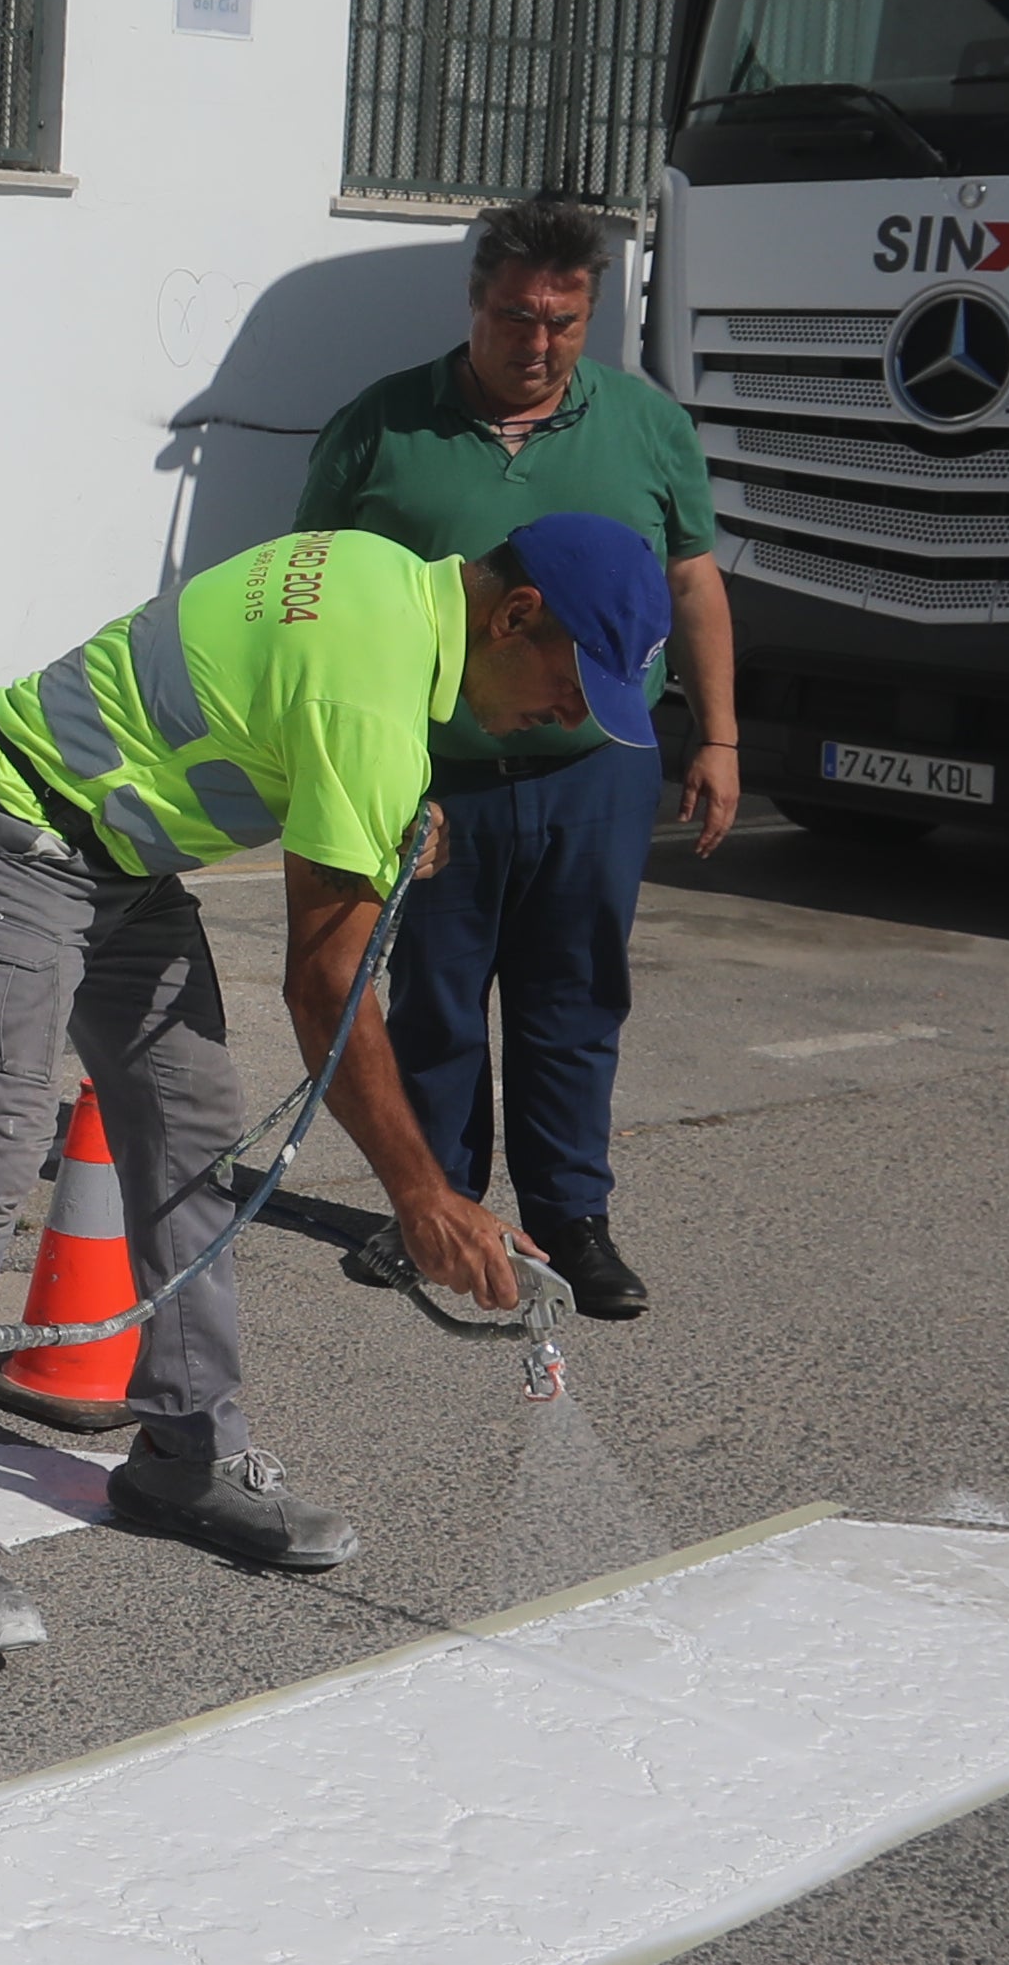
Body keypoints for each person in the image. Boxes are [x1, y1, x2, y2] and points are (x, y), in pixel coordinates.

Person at [0, 522, 648, 1663]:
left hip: (120, 859)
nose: (570, 715)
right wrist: (424, 1198)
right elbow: (325, 989)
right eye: (574, 683)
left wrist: (384, 818)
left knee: (188, 1139)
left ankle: (188, 1455)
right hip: (13, 820)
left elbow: (285, 727)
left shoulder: (389, 587)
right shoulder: (375, 694)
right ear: (517, 614)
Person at [293, 197, 736, 1320]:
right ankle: (433, 1210)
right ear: (474, 302)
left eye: (563, 321)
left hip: (594, 772)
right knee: (435, 999)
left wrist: (721, 735)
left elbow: (693, 579)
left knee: (574, 997)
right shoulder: (379, 427)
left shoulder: (646, 427)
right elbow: (313, 579)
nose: (536, 344)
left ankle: (573, 1222)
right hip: (434, 775)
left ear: (591, 314)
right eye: (514, 316)